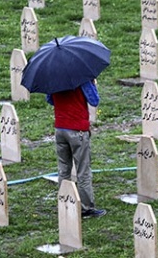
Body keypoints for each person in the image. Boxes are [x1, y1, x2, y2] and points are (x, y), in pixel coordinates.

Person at [46, 80, 106, 218]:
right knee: (83, 170)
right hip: (77, 129)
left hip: (60, 128)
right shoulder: (82, 78)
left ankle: (64, 201)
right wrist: (91, 84)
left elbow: (50, 100)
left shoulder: (55, 78)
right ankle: (86, 208)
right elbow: (94, 100)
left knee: (64, 170)